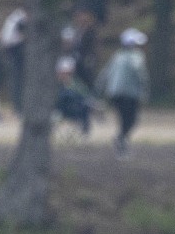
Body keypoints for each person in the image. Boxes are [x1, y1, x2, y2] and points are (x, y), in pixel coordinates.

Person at [98, 29, 149, 157]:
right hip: (129, 94)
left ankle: (121, 142)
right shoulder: (137, 57)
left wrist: (99, 89)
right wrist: (145, 91)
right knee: (131, 120)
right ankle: (121, 141)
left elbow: (105, 73)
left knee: (123, 120)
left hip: (114, 93)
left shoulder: (117, 56)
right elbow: (141, 75)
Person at [54, 56, 95, 136]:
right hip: (59, 110)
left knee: (85, 105)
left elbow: (85, 95)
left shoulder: (77, 84)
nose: (65, 74)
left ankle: (85, 131)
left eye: (68, 72)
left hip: (75, 110)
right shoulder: (53, 86)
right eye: (63, 72)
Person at [0, 7, 28, 111]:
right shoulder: (19, 19)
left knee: (17, 80)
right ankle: (19, 107)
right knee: (18, 81)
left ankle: (18, 106)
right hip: (17, 51)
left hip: (12, 50)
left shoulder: (13, 18)